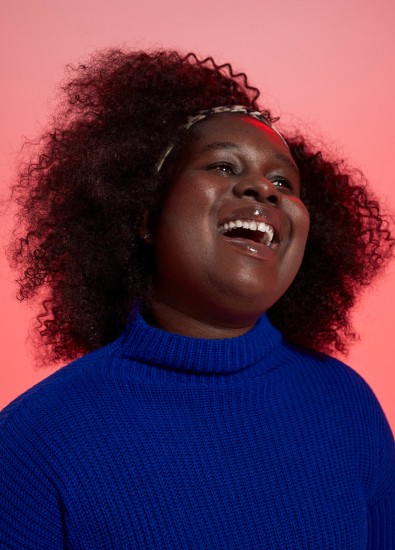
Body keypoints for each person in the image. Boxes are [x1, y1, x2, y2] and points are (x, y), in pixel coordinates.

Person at [1, 49, 394, 549]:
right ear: (147, 216)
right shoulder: (37, 440)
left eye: (282, 182)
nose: (262, 189)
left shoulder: (348, 406)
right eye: (224, 167)